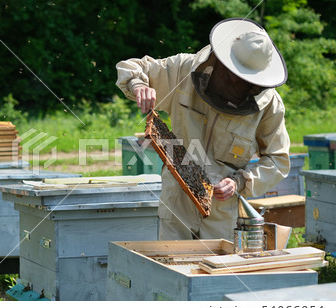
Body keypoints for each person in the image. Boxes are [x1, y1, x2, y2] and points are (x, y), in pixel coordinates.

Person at [116, 18, 290, 242]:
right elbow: (131, 67)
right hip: (177, 199)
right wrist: (138, 85)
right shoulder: (183, 70)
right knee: (173, 270)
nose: (234, 81)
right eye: (231, 73)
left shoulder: (270, 106)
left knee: (215, 273)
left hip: (222, 209)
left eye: (243, 79)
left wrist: (241, 182)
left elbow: (278, 160)